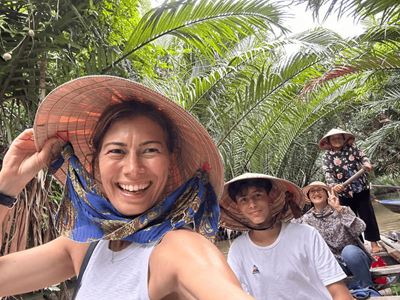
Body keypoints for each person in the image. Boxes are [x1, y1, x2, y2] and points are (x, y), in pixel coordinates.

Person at [0, 75, 253, 299]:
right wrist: (7, 187)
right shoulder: (86, 246)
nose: (133, 168)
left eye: (150, 150)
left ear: (170, 163)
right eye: (117, 151)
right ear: (95, 164)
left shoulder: (178, 249)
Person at [219, 173, 353, 300]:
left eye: (258, 195)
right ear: (238, 207)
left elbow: (339, 291)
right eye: (243, 200)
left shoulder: (306, 235)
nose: (252, 204)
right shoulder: (238, 249)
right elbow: (234, 293)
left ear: (270, 198)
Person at [297, 181, 374, 290]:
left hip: (356, 259)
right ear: (308, 197)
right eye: (312, 191)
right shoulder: (306, 219)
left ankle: (368, 288)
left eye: (320, 190)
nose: (316, 193)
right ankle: (343, 290)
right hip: (333, 264)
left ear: (327, 193)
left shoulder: (342, 209)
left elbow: (360, 228)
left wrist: (339, 209)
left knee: (349, 251)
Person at [319, 128, 382, 253]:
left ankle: (374, 243)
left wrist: (367, 163)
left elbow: (363, 158)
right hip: (343, 193)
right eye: (333, 139)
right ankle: (360, 246)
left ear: (344, 139)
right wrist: (334, 185)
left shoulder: (353, 149)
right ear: (329, 142)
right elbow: (328, 174)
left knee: (367, 215)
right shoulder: (327, 157)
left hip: (361, 188)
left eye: (339, 138)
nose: (337, 140)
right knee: (349, 218)